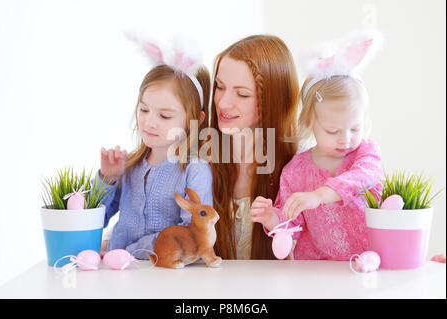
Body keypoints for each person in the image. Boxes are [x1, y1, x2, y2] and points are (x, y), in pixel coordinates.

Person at [251, 30, 385, 260]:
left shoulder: (365, 153)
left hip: (369, 261)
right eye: (333, 131)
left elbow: (366, 178)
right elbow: (291, 222)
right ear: (309, 122)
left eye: (355, 129)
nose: (345, 139)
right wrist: (270, 217)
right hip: (317, 270)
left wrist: (319, 195)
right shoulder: (296, 171)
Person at [98, 36, 213, 259]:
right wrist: (107, 179)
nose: (149, 122)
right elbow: (95, 220)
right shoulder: (129, 166)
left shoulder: (194, 171)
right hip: (119, 273)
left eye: (164, 115)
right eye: (144, 110)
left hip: (167, 276)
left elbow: (193, 234)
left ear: (195, 120)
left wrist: (125, 252)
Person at [206, 35, 300, 259]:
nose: (223, 102)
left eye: (242, 94)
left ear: (273, 100)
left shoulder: (299, 165)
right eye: (219, 87)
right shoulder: (202, 159)